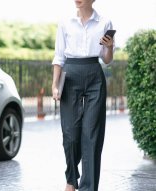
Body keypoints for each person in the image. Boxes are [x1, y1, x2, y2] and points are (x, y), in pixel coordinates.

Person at [51, 0, 114, 191]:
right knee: (70, 133)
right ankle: (71, 178)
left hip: (94, 74)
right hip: (70, 75)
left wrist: (110, 47)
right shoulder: (65, 22)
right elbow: (59, 56)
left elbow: (107, 59)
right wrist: (55, 84)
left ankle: (89, 188)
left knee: (92, 135)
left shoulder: (104, 22)